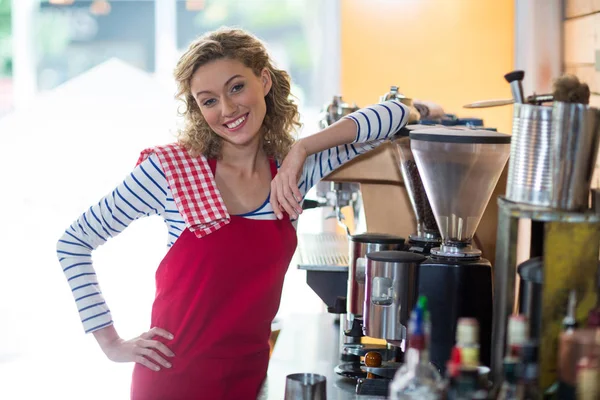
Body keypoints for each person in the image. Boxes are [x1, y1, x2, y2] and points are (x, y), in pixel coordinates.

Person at [56, 27, 409, 400]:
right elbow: (73, 243)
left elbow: (398, 114)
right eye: (208, 101)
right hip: (172, 381)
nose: (226, 110)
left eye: (236, 88)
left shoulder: (292, 175)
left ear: (264, 80)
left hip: (249, 378)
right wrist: (111, 344)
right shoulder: (171, 170)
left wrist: (302, 149)